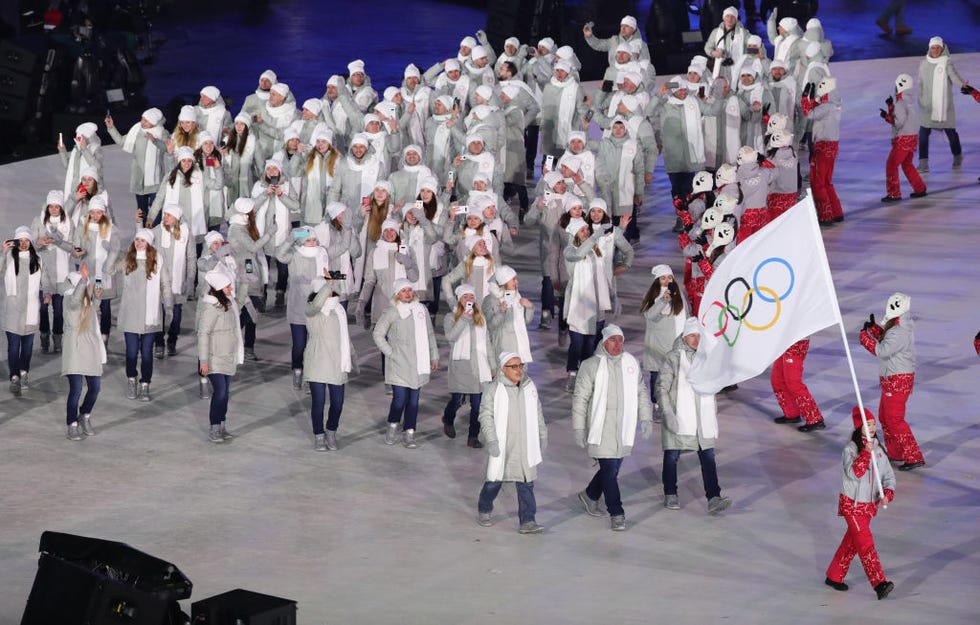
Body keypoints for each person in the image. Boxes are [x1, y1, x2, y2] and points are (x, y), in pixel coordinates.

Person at [572, 325, 653, 531]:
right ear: (604, 341)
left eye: (620, 340)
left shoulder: (630, 363)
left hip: (623, 426)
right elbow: (580, 399)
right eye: (613, 340)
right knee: (609, 470)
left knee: (612, 470)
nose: (617, 344)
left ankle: (590, 495)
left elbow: (641, 392)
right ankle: (617, 512)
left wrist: (646, 418)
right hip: (601, 426)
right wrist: (579, 428)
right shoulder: (591, 365)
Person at [656, 317, 733, 515]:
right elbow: (661, 387)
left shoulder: (706, 359)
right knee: (672, 455)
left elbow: (714, 385)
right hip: (678, 414)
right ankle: (670, 492)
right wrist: (667, 413)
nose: (696, 339)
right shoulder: (673, 358)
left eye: (699, 336)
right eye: (692, 335)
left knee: (708, 457)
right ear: (684, 337)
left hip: (702, 418)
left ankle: (714, 497)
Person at [824, 407, 896, 600]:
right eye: (867, 424)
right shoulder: (851, 449)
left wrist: (887, 493)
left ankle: (834, 575)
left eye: (873, 423)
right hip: (852, 506)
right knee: (865, 544)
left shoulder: (879, 450)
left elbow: (888, 476)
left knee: (852, 543)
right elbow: (854, 473)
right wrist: (865, 453)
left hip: (869, 506)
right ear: (859, 428)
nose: (872, 427)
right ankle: (879, 583)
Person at [476, 352, 548, 534]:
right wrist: (491, 439)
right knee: (494, 481)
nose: (518, 370)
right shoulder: (493, 390)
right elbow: (485, 416)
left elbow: (538, 413)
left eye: (520, 366)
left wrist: (542, 434)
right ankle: (484, 508)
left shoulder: (529, 387)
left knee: (526, 482)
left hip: (524, 445)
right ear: (503, 369)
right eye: (513, 366)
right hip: (504, 444)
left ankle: (528, 520)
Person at [858, 292, 925, 471]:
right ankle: (896, 453)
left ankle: (913, 456)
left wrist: (864, 338)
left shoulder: (899, 330)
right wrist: (873, 330)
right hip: (892, 379)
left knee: (894, 419)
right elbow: (888, 340)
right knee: (885, 417)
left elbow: (882, 350)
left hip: (898, 380)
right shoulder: (897, 327)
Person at [372, 279, 439, 449]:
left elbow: (430, 334)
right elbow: (378, 334)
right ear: (397, 294)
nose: (408, 293)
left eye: (410, 290)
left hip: (418, 363)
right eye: (404, 291)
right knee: (399, 400)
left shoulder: (421, 310)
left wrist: (434, 356)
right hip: (399, 364)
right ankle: (393, 425)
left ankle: (409, 432)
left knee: (414, 401)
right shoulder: (392, 312)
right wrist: (391, 353)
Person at [109, 229, 173, 402]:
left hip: (150, 316)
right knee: (131, 352)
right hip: (130, 313)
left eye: (142, 241)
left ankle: (145, 384)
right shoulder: (128, 258)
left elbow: (165, 284)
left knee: (146, 353)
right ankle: (132, 379)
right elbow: (109, 270)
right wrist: (113, 252)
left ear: (149, 243)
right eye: (137, 239)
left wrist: (168, 305)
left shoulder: (158, 260)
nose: (138, 243)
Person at [562, 219, 612, 391]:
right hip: (578, 305)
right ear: (575, 233)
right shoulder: (570, 250)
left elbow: (604, 275)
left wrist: (612, 295)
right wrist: (595, 238)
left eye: (587, 230)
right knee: (577, 343)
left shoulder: (596, 250)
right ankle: (572, 373)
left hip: (595, 305)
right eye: (582, 230)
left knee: (590, 344)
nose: (586, 233)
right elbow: (578, 255)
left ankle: (585, 375)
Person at [304, 276, 352, 451]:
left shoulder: (339, 309)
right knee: (318, 402)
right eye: (325, 289)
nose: (331, 291)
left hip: (337, 363)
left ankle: (331, 431)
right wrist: (328, 285)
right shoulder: (312, 310)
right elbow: (316, 304)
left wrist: (349, 358)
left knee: (338, 402)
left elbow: (344, 337)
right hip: (317, 361)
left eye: (331, 288)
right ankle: (319, 435)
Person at [442, 284, 494, 447]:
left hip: (480, 364)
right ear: (459, 300)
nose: (469, 300)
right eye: (465, 297)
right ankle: (448, 418)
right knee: (457, 400)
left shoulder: (481, 318)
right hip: (461, 364)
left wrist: (493, 365)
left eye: (471, 297)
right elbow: (451, 337)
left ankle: (473, 437)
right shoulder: (450, 317)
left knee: (478, 403)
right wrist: (464, 317)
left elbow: (487, 343)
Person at [197, 269, 243, 443]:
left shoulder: (230, 304)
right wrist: (203, 361)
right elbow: (203, 334)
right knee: (220, 392)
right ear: (219, 288)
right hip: (215, 357)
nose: (231, 289)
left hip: (228, 356)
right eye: (227, 286)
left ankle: (222, 425)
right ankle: (214, 427)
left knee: (225, 393)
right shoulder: (211, 308)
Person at [61, 265, 106, 440]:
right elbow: (75, 301)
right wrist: (84, 280)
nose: (86, 287)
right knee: (76, 389)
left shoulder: (87, 301)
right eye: (82, 284)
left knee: (95, 388)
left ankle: (84, 415)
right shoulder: (69, 301)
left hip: (91, 347)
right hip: (74, 349)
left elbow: (92, 313)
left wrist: (97, 297)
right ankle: (72, 424)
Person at [105, 108, 169, 220]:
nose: (142, 122)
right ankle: (142, 234)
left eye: (146, 121)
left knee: (156, 211)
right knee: (141, 212)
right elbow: (121, 141)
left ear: (154, 122)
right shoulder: (136, 131)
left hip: (155, 180)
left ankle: (156, 234)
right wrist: (111, 127)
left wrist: (154, 140)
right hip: (139, 179)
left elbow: (168, 149)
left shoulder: (162, 132)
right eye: (142, 119)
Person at [2, 227, 43, 396]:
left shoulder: (38, 260)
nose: (24, 244)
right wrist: (3, 253)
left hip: (31, 310)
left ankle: (24, 372)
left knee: (27, 347)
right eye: (20, 241)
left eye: (27, 240)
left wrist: (46, 294)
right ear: (16, 242)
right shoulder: (10, 258)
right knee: (13, 347)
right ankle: (14, 376)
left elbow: (43, 280)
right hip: (13, 310)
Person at [917, 37, 968, 173]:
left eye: (938, 48)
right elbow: (920, 84)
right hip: (928, 107)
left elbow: (954, 77)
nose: (935, 50)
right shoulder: (924, 64)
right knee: (922, 135)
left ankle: (957, 155)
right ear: (929, 48)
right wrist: (921, 100)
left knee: (951, 134)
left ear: (942, 48)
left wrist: (962, 85)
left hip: (944, 108)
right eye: (933, 48)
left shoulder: (946, 63)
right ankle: (923, 163)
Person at [32, 190, 74, 354]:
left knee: (59, 310)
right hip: (44, 272)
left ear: (62, 208)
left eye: (57, 207)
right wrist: (39, 242)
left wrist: (58, 241)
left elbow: (71, 246)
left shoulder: (69, 223)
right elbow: (32, 244)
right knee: (43, 308)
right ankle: (44, 334)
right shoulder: (39, 221)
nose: (54, 210)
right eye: (51, 206)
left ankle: (57, 337)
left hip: (62, 272)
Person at [153, 204, 196, 358]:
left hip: (178, 282)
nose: (165, 218)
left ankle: (172, 340)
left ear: (176, 218)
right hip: (159, 282)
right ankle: (158, 343)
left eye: (168, 215)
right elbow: (144, 241)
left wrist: (190, 279)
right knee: (159, 314)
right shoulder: (157, 231)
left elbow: (191, 258)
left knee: (176, 314)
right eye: (164, 215)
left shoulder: (186, 233)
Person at [640, 265, 686, 407]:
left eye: (669, 277)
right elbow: (650, 315)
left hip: (674, 343)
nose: (667, 281)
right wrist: (664, 299)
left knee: (673, 376)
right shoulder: (652, 296)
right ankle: (657, 405)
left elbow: (685, 315)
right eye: (663, 278)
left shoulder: (678, 295)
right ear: (657, 281)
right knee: (657, 376)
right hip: (658, 344)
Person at [880, 74, 927, 202]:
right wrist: (890, 107)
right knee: (907, 164)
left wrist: (886, 116)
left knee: (891, 164)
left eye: (896, 87)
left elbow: (898, 122)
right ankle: (920, 188)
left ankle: (894, 193)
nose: (895, 89)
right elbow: (900, 117)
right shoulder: (908, 102)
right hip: (912, 137)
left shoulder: (901, 103)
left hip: (903, 138)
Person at [771, 338, 825, 431]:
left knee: (793, 383)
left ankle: (815, 419)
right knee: (777, 379)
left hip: (796, 342)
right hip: (783, 340)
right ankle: (791, 414)